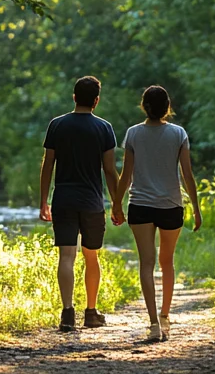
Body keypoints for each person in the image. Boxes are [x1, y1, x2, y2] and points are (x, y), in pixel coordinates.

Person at [111, 85, 200, 341]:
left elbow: (125, 176)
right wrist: (196, 208)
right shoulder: (178, 133)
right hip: (172, 205)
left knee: (146, 264)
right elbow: (187, 175)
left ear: (144, 106)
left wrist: (117, 204)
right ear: (167, 107)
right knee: (167, 263)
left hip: (140, 205)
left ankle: (152, 325)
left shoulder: (133, 134)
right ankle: (165, 316)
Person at [40, 75, 120, 332]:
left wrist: (44, 201)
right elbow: (109, 171)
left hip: (63, 199)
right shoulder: (104, 128)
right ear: (96, 100)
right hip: (92, 201)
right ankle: (91, 312)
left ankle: (67, 313)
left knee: (66, 256)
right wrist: (117, 203)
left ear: (74, 97)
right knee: (91, 256)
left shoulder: (57, 125)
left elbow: (47, 165)